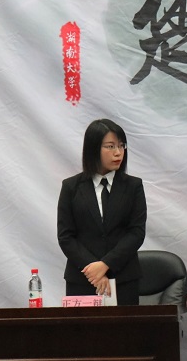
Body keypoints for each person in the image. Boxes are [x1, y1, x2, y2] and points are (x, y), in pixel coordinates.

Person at [58, 118, 146, 306]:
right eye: (110, 146)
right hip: (82, 279)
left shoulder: (133, 186)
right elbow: (66, 236)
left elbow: (136, 232)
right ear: (93, 149)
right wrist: (93, 270)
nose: (118, 152)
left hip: (124, 279)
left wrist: (106, 265)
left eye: (121, 146)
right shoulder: (71, 187)